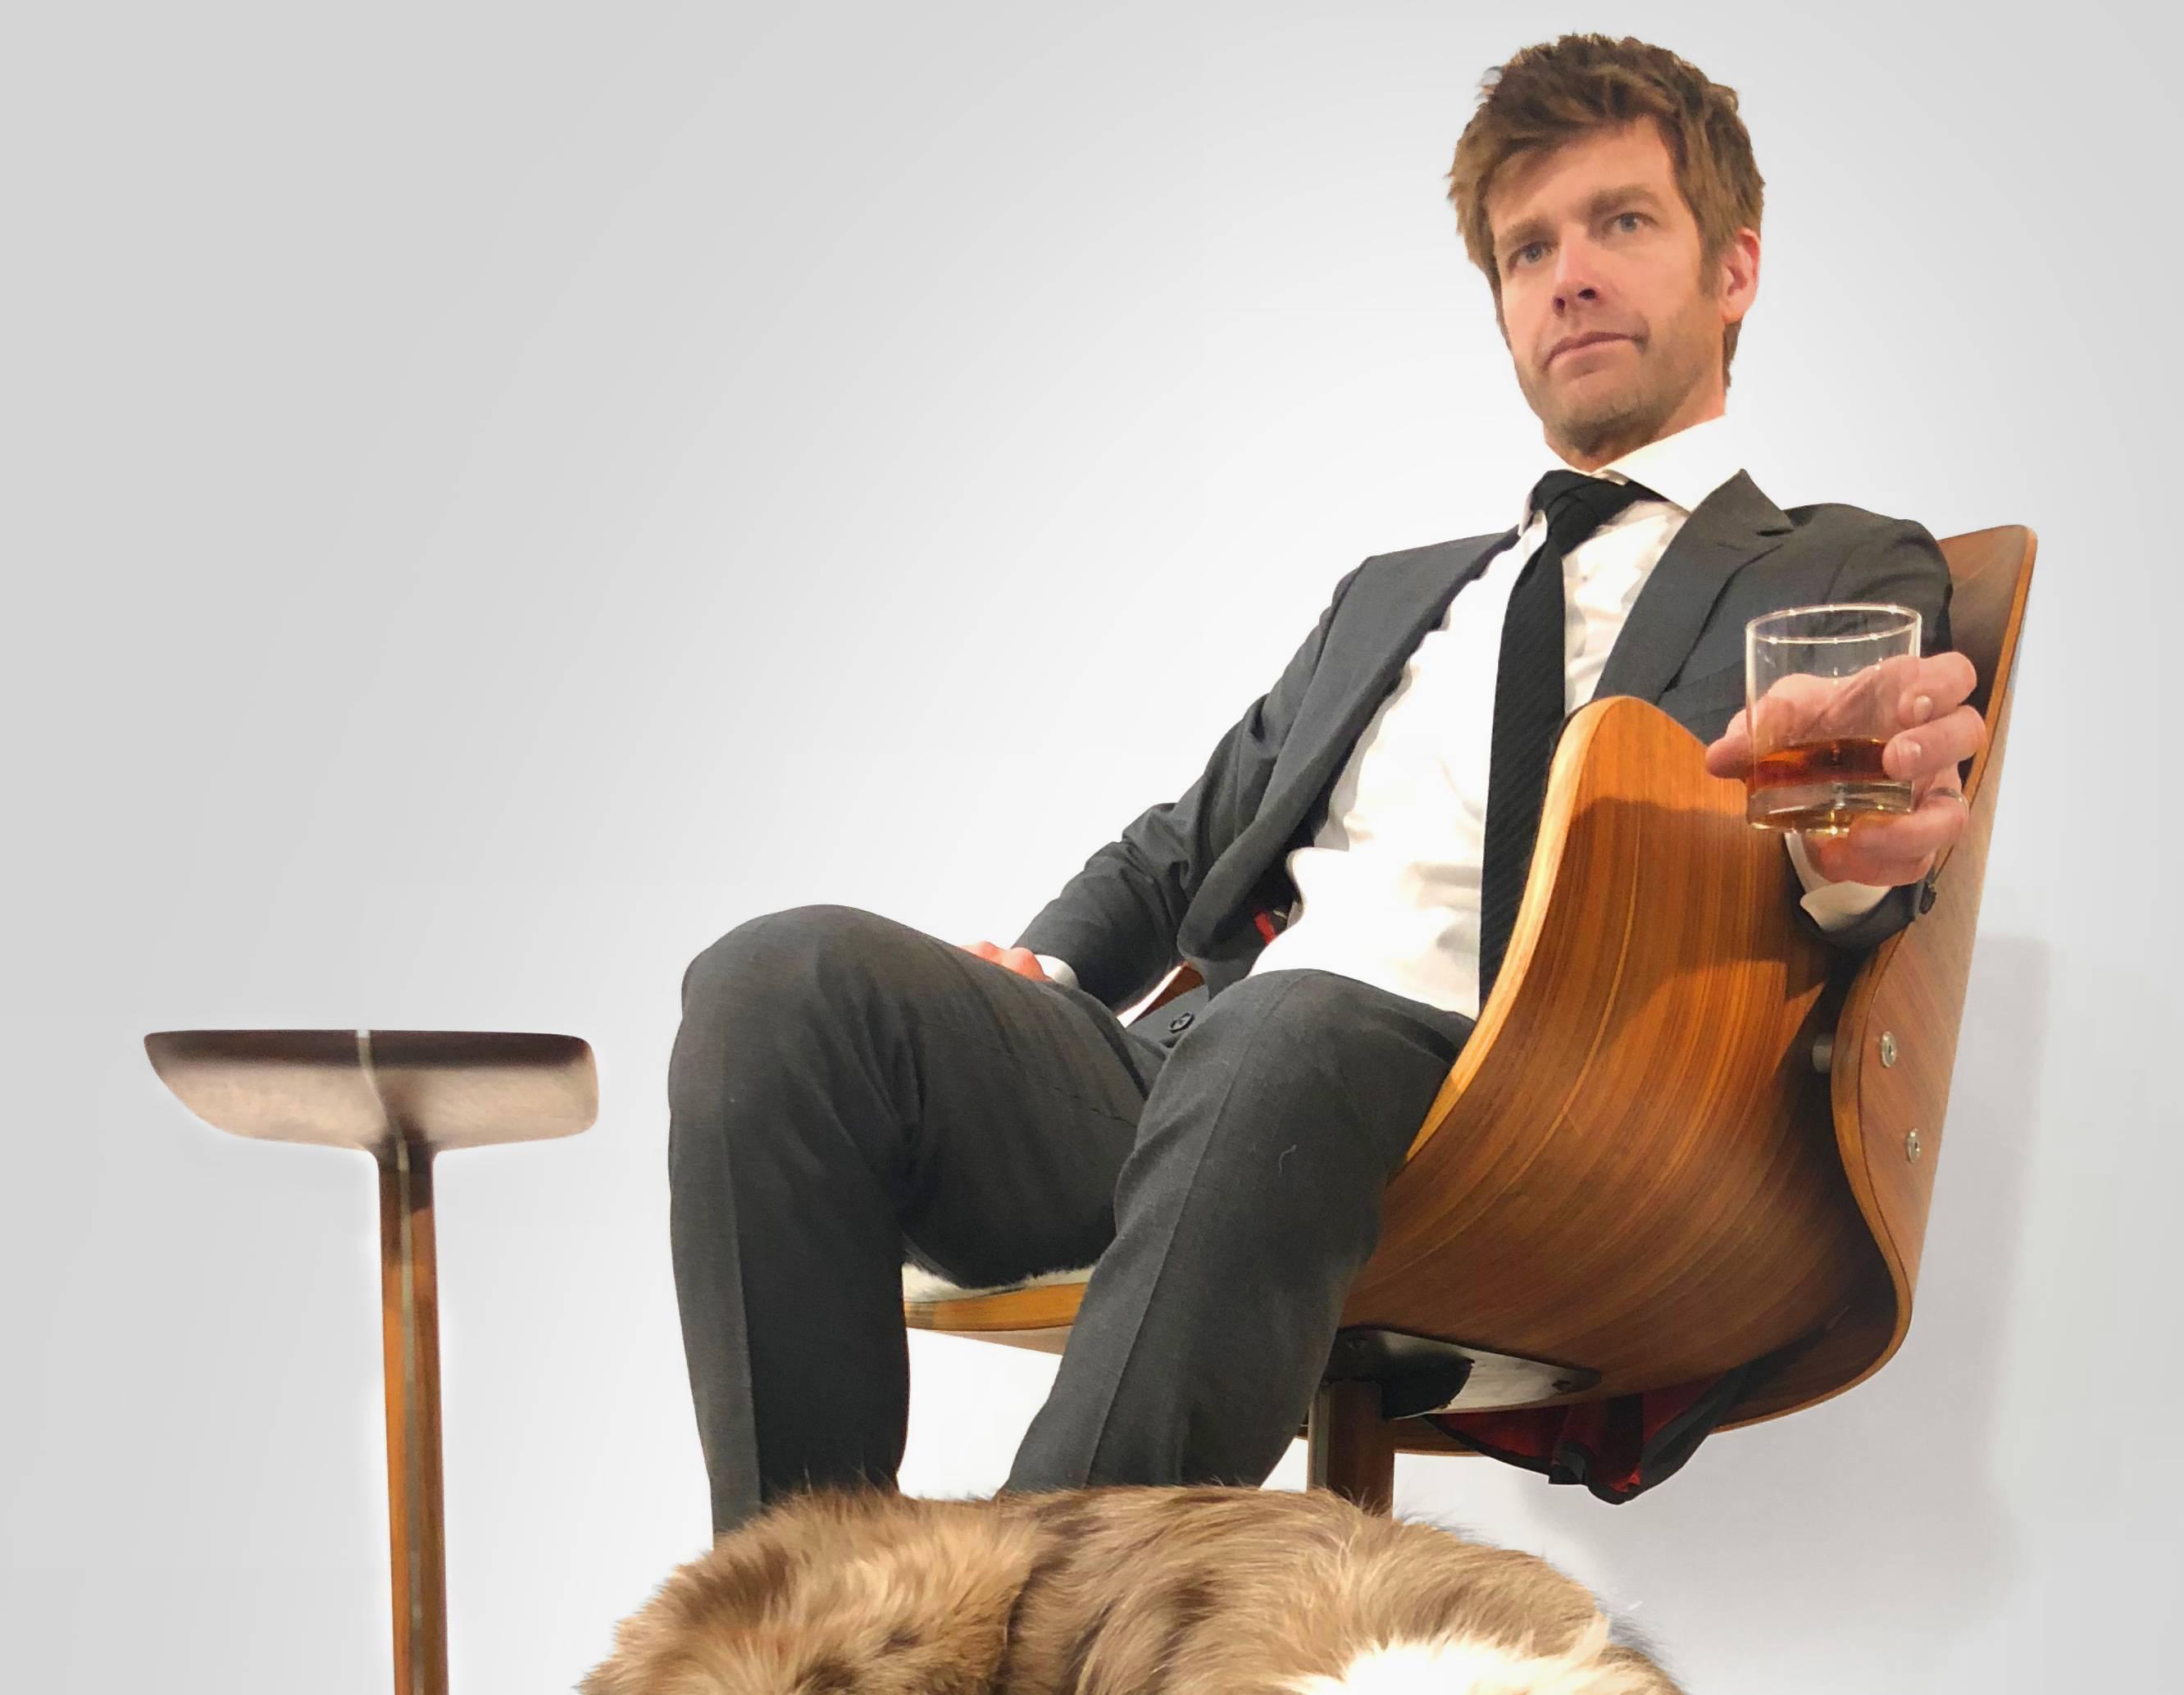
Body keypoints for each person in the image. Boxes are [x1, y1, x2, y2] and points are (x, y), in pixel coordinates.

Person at [667, 33, 1983, 1537]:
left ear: (1733, 269)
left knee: (1290, 1031)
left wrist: (1840, 845)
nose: (1569, 275)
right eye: (1527, 248)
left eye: (1623, 222)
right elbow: (1187, 844)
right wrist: (1038, 970)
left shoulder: (1837, 567)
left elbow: (1827, 827)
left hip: (1525, 1095)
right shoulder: (1401, 592)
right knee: (781, 984)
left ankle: (1005, 1667)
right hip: (1214, 1067)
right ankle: (786, 1648)